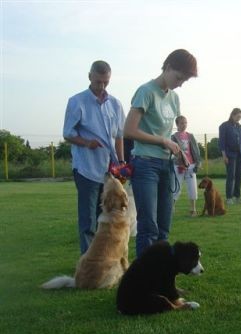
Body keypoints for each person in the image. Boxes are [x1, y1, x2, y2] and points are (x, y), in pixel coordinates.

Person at [124, 49, 197, 258]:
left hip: (166, 165)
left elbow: (165, 132)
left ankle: (161, 280)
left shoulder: (174, 99)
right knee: (148, 227)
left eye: (185, 80)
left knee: (164, 227)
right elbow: (128, 131)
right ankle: (144, 283)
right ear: (168, 67)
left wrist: (177, 150)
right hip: (145, 164)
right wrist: (164, 141)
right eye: (179, 77)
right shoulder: (145, 91)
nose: (180, 83)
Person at [63, 60, 125, 254]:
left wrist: (122, 162)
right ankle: (88, 260)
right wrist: (87, 143)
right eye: (98, 81)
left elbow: (120, 136)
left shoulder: (115, 104)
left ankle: (105, 255)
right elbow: (67, 133)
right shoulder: (77, 101)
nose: (102, 86)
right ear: (89, 77)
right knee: (88, 218)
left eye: (106, 82)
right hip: (87, 169)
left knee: (107, 216)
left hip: (110, 170)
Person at [171, 115, 202, 217]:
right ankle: (171, 208)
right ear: (177, 124)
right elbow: (173, 152)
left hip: (191, 165)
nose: (184, 125)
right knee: (176, 188)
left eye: (185, 123)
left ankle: (193, 209)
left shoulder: (190, 136)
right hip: (178, 165)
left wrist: (198, 163)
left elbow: (196, 151)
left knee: (192, 187)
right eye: (181, 123)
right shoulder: (173, 137)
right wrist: (179, 162)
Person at [218, 108, 241, 204]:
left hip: (240, 154)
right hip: (230, 154)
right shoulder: (224, 126)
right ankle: (229, 198)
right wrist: (224, 155)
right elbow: (222, 142)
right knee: (231, 176)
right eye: (238, 116)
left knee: (239, 176)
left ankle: (237, 197)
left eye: (240, 117)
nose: (239, 119)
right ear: (232, 115)